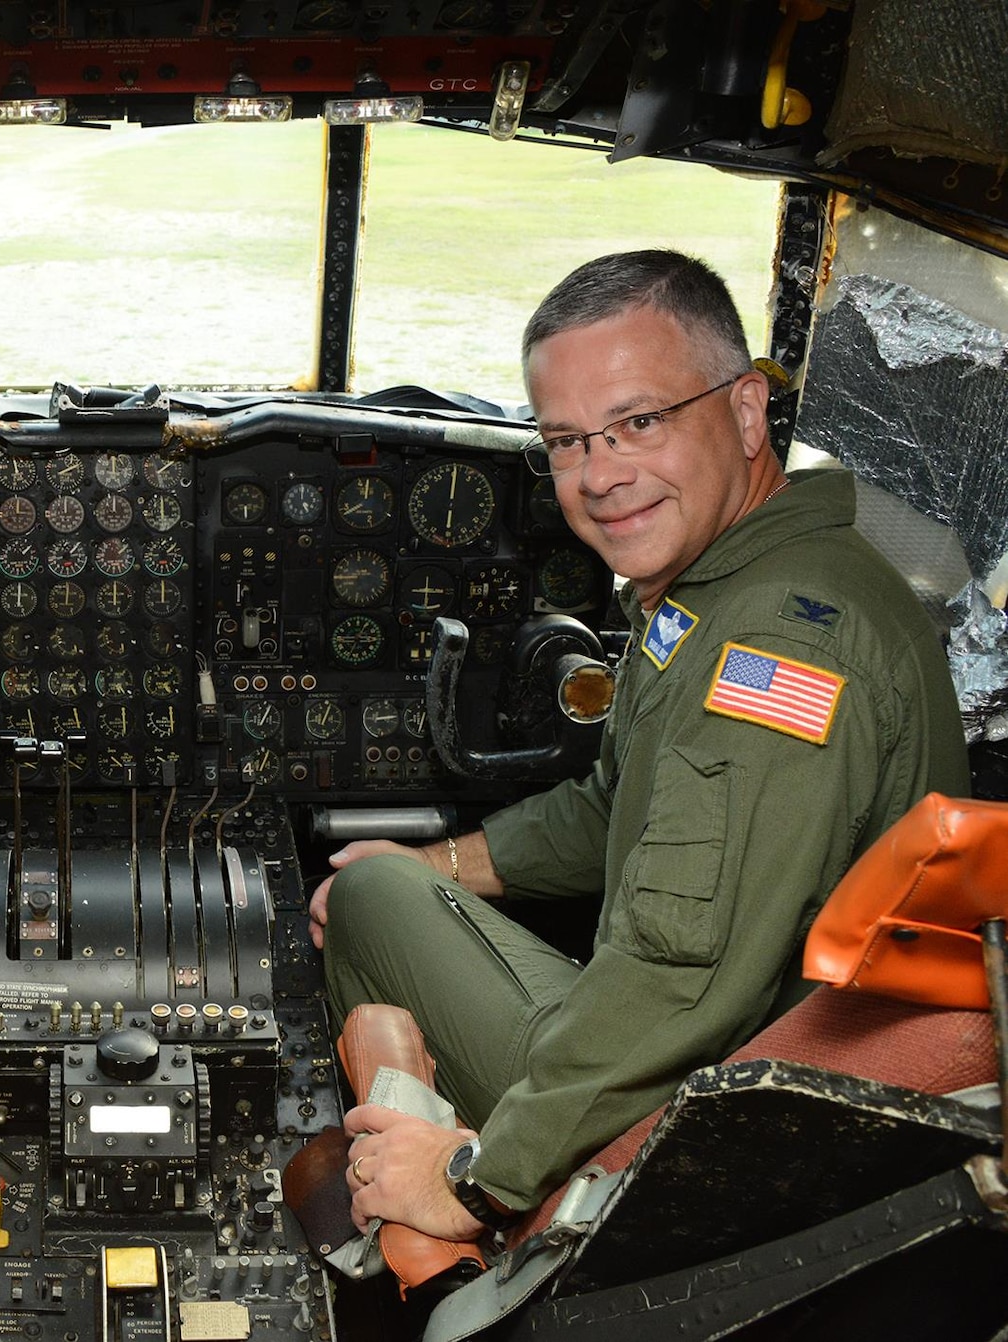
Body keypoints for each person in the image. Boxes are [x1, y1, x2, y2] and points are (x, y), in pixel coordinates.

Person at [307, 251, 969, 1242]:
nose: (598, 476)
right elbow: (615, 806)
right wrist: (442, 861)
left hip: (707, 1111)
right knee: (396, 878)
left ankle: (455, 1234)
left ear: (746, 411)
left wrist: (472, 1176)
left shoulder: (773, 654)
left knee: (362, 900)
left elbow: (676, 978)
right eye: (567, 441)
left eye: (639, 422)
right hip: (737, 1049)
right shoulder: (736, 585)